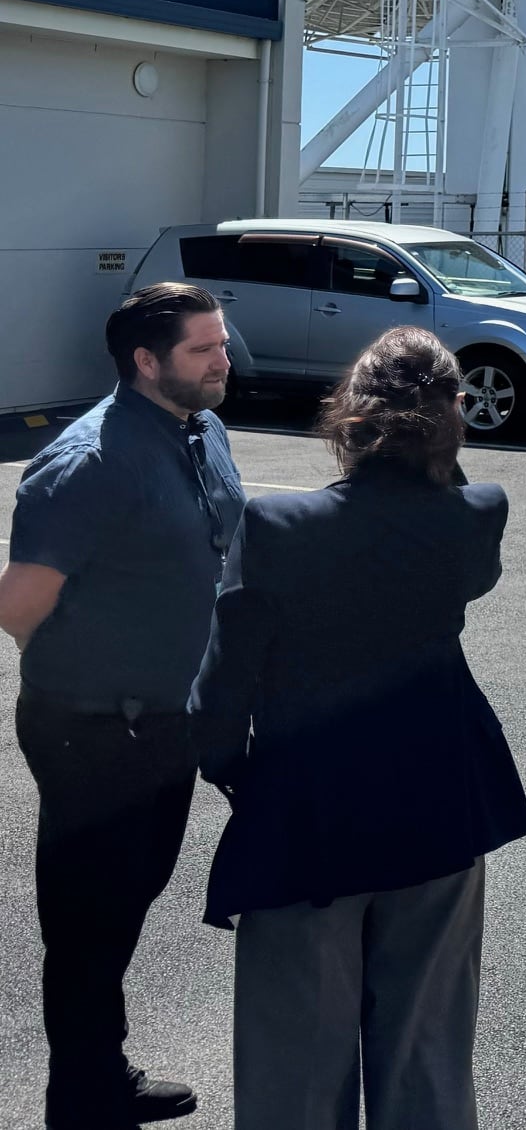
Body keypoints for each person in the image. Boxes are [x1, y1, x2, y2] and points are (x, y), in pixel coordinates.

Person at [188, 326, 526, 1130]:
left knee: (297, 1061)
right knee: (427, 1046)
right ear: (452, 413)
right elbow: (462, 538)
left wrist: (230, 768)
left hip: (307, 808)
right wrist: (440, 443)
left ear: (350, 412)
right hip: (440, 799)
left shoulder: (279, 527)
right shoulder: (475, 514)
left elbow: (221, 687)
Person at [0, 283, 243, 1128]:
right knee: (87, 922)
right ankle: (83, 1094)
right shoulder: (88, 464)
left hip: (170, 721)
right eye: (203, 349)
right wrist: (93, 669)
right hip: (95, 731)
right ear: (145, 360)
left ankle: (97, 1072)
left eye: (221, 342)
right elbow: (19, 606)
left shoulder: (200, 428)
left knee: (127, 901)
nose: (223, 359)